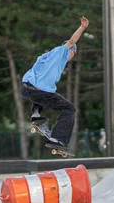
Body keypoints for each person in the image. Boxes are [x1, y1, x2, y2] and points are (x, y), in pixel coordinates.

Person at [20, 16, 90, 150]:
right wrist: (82, 27)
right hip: (39, 90)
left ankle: (36, 116)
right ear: (71, 51)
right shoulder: (61, 52)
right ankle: (57, 139)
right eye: (73, 54)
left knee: (44, 93)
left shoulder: (46, 56)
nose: (71, 57)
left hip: (25, 87)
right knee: (69, 109)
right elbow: (72, 40)